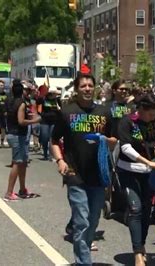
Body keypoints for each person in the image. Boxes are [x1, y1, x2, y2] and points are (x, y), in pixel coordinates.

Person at [50, 73, 116, 265]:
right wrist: (60, 161)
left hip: (98, 174)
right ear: (77, 89)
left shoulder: (104, 113)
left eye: (90, 86)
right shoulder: (67, 112)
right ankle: (83, 262)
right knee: (82, 221)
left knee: (93, 221)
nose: (87, 89)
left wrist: (105, 140)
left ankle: (83, 254)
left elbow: (113, 141)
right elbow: (54, 141)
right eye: (83, 86)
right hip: (74, 173)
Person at [116, 93, 155, 266]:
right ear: (141, 109)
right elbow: (125, 147)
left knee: (147, 211)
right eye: (151, 114)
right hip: (128, 170)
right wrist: (147, 162)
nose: (154, 117)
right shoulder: (127, 121)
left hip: (149, 173)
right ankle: (138, 252)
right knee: (135, 208)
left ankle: (142, 244)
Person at [3, 81, 40, 201]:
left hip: (14, 133)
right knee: (17, 163)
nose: (28, 92)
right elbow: (21, 121)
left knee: (23, 162)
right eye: (26, 90)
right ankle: (9, 192)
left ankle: (22, 189)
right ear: (22, 91)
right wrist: (35, 120)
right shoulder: (21, 103)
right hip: (17, 135)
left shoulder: (9, 101)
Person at [36, 86, 61, 161]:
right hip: (44, 121)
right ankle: (45, 153)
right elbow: (38, 106)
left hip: (54, 121)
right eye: (54, 94)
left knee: (51, 138)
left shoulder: (57, 100)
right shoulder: (43, 99)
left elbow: (60, 110)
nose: (55, 95)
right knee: (44, 137)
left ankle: (51, 154)